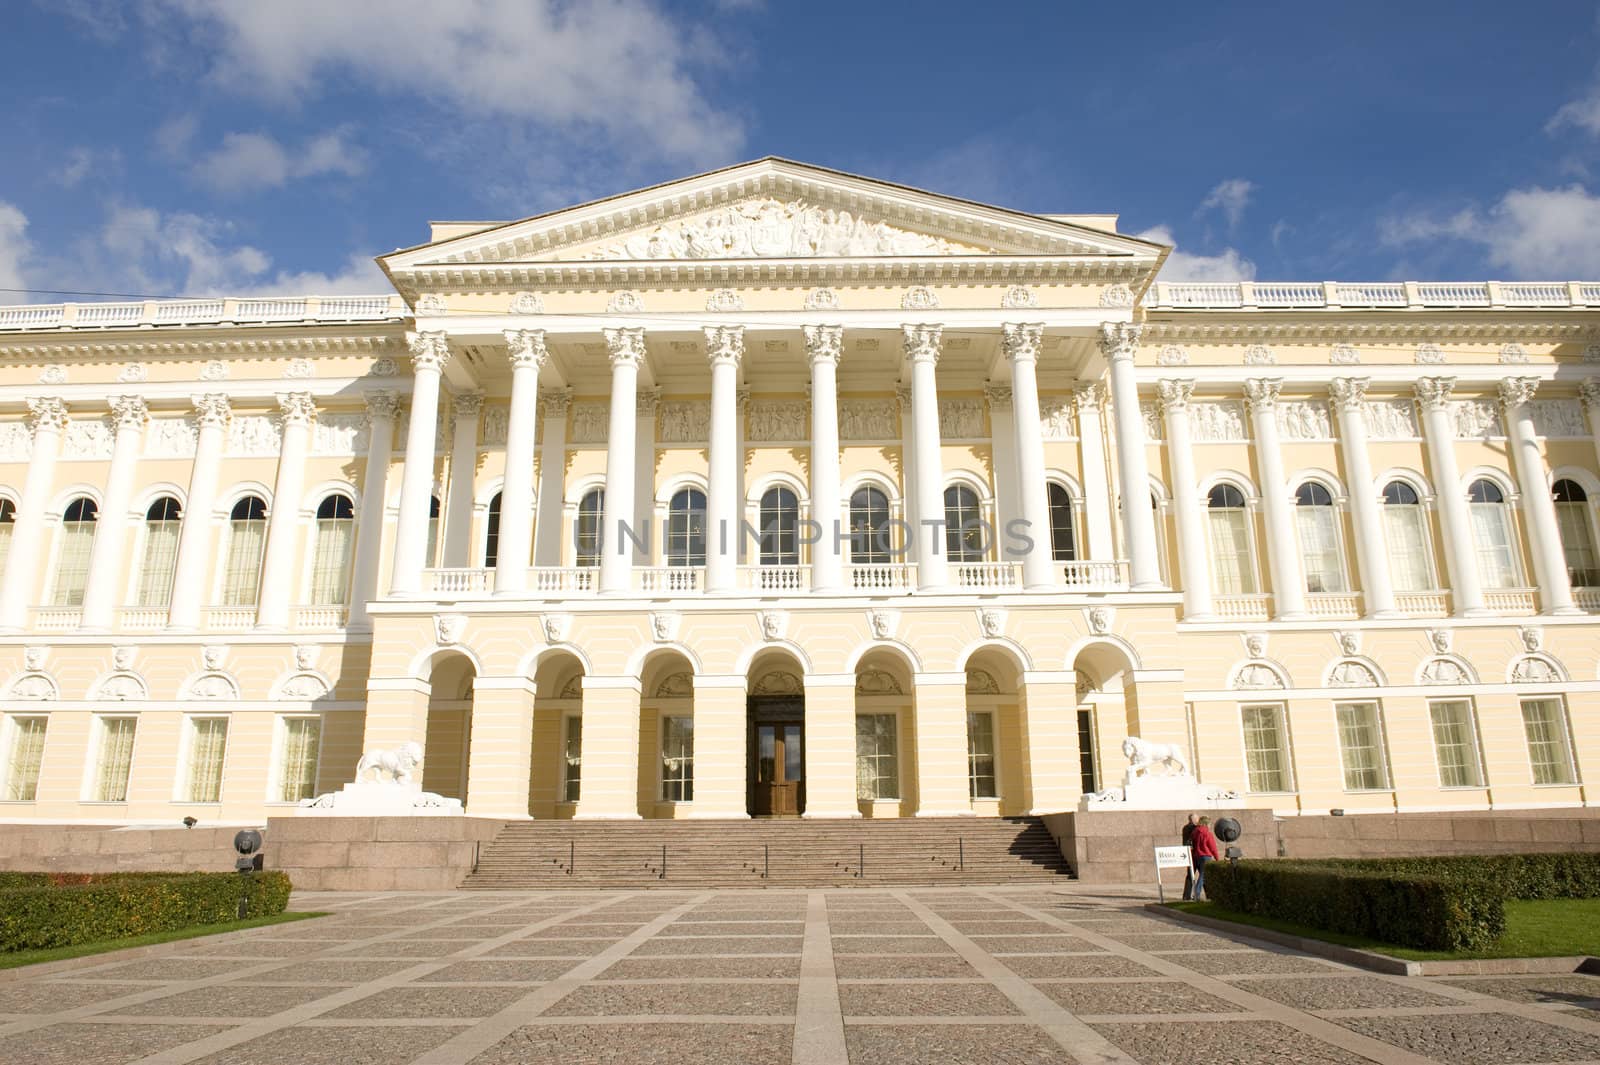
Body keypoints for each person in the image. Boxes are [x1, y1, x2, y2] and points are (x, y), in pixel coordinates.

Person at [1190, 815, 1220, 900]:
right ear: (1206, 824)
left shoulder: (1194, 832)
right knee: (1203, 876)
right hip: (1205, 856)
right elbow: (1212, 847)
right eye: (1209, 824)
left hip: (1196, 856)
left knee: (1204, 876)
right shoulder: (1207, 833)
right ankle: (1197, 893)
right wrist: (1217, 858)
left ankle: (1209, 894)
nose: (1210, 826)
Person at [1180, 813, 1199, 900]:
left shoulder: (1185, 827)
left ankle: (1186, 895)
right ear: (1194, 820)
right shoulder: (1195, 828)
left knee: (1190, 875)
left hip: (1188, 853)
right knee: (1203, 874)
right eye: (1197, 819)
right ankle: (1208, 894)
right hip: (1195, 853)